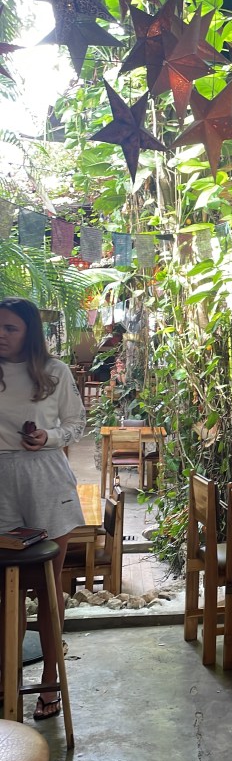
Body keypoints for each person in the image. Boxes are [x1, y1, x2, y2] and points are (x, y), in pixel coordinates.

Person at [0, 297, 86, 720]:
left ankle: (50, 680)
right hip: (1, 482)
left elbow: (77, 423)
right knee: (5, 590)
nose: (1, 335)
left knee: (49, 588)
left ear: (29, 332)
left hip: (46, 479)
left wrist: (48, 437)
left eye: (10, 328)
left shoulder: (55, 372)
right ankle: (8, 680)